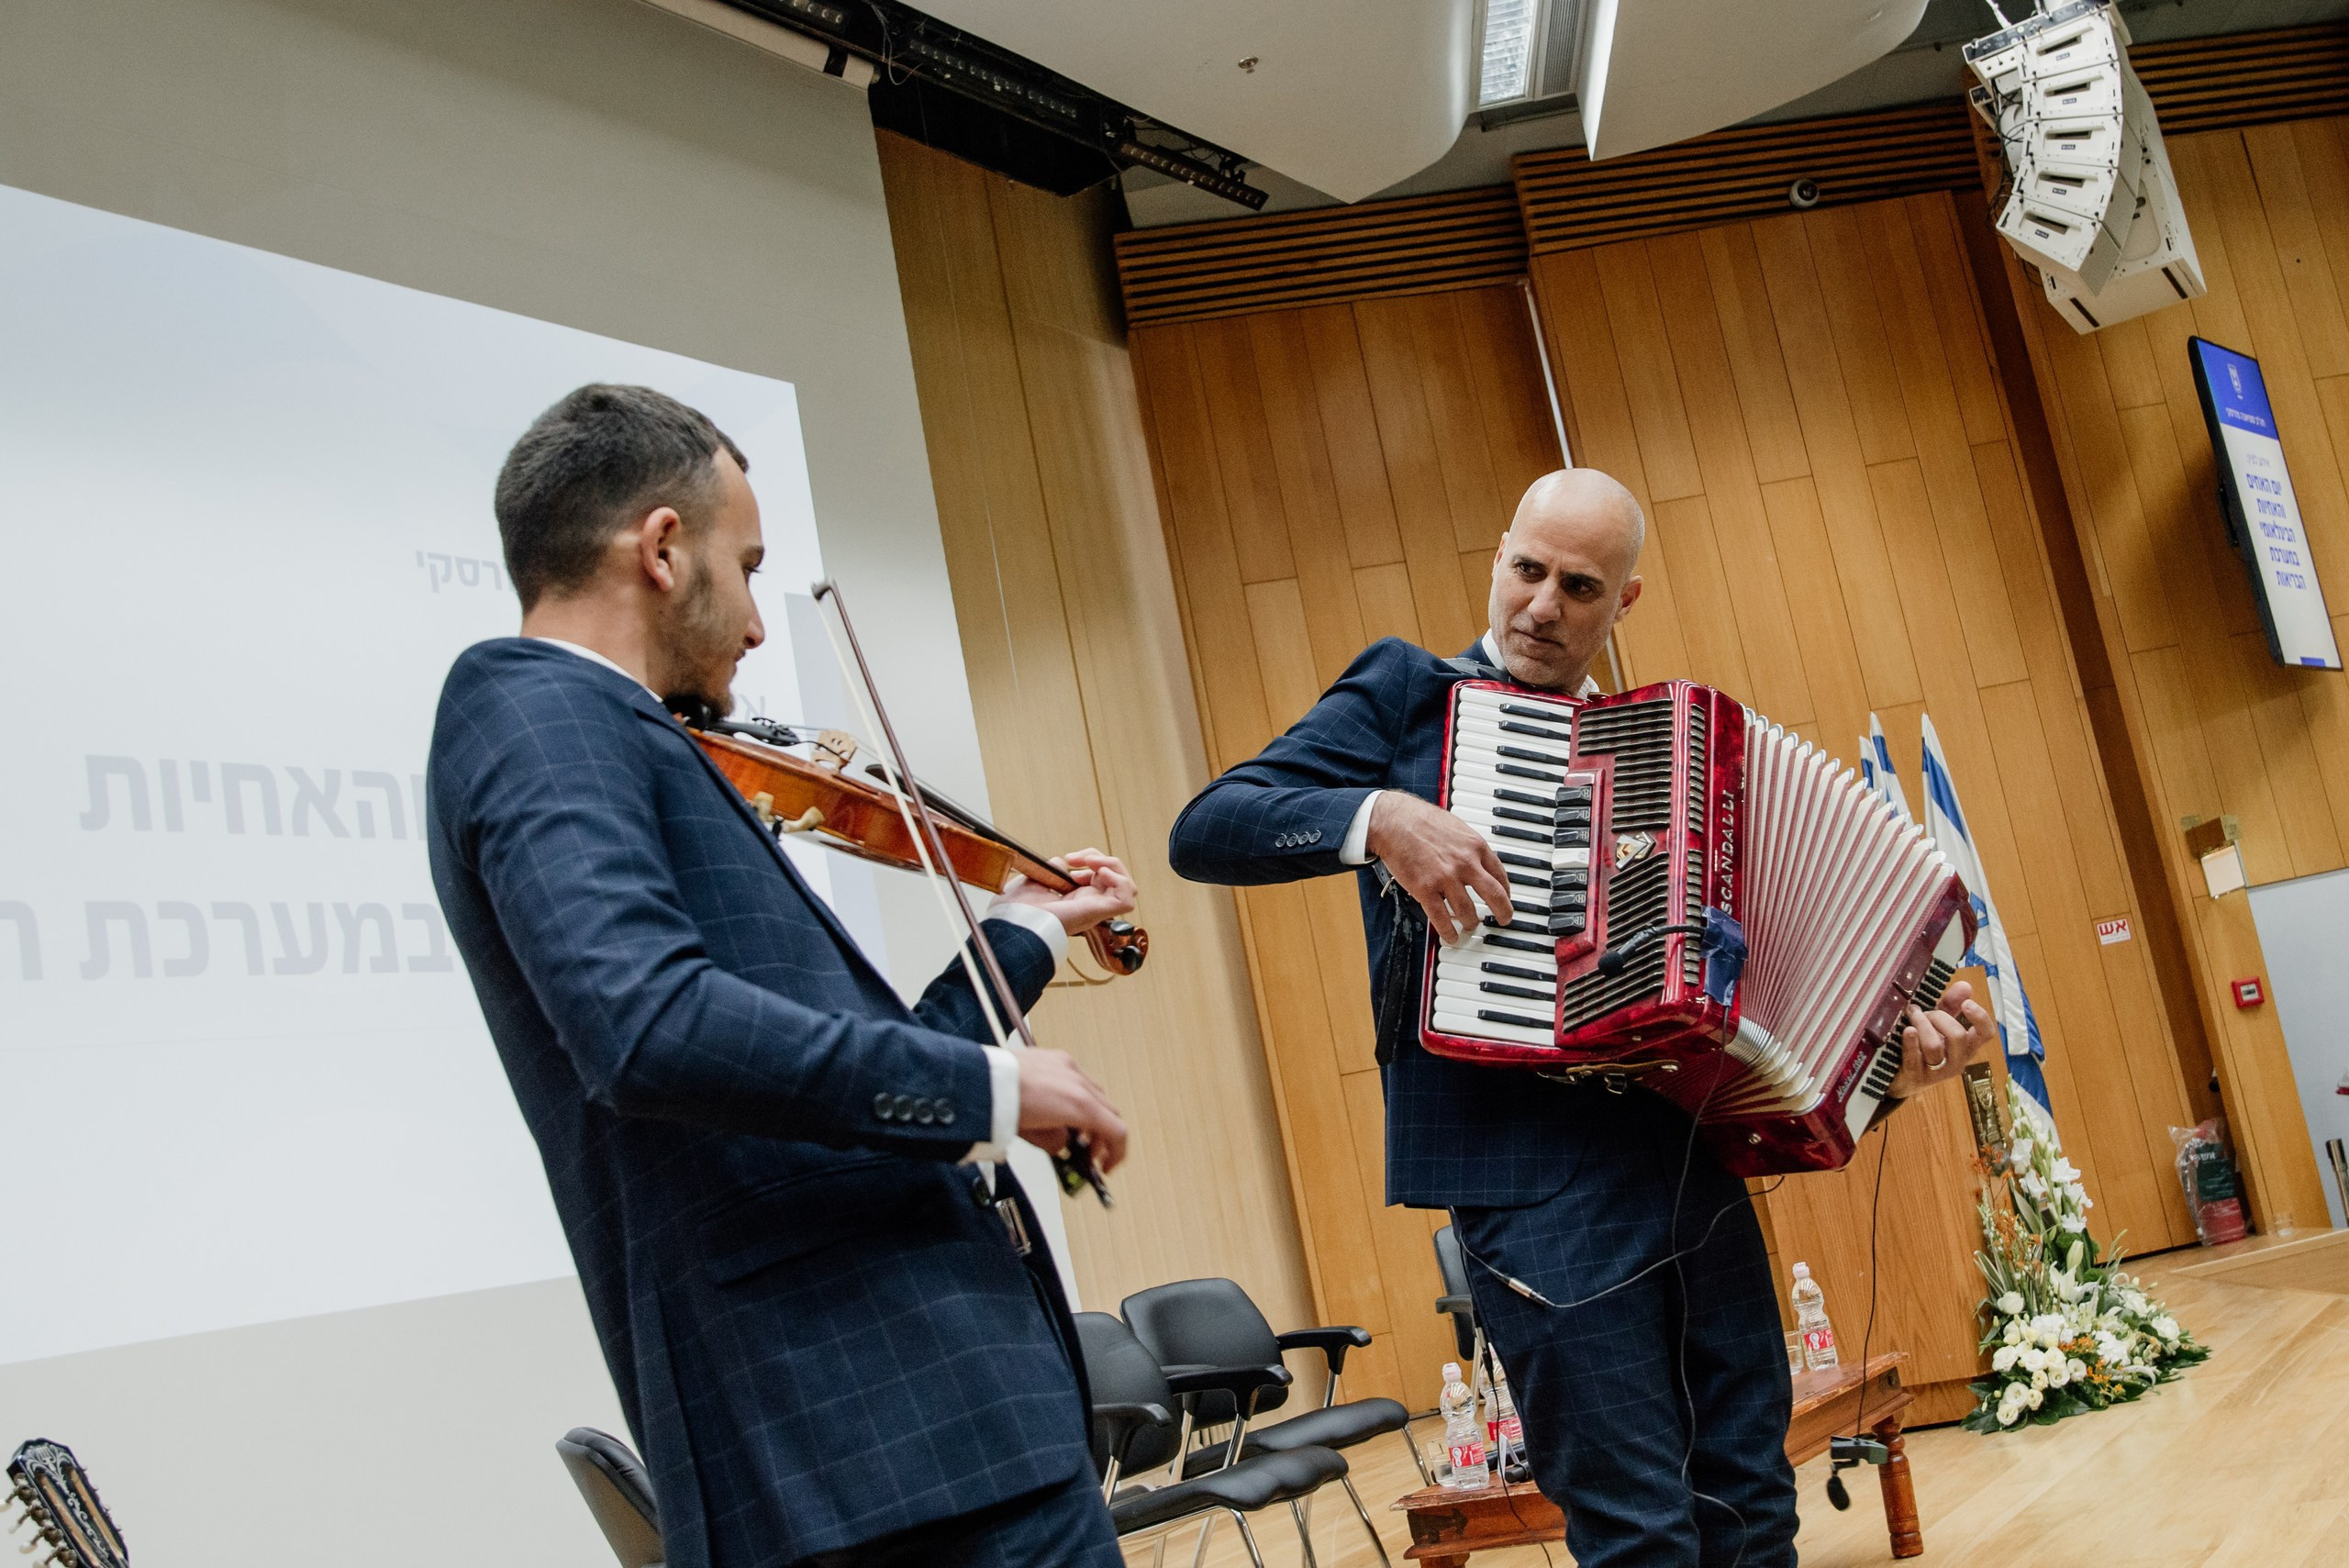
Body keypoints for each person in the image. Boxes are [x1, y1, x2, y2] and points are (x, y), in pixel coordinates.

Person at [1167, 468, 1993, 1568]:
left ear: (1625, 603)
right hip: (1529, 1182)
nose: (1543, 604)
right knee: (1636, 1523)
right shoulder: (1409, 697)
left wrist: (1892, 1064)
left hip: (1686, 1168)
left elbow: (1756, 1015)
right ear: (1497, 556)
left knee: (1750, 1495)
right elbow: (1207, 827)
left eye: (1579, 584)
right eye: (1527, 570)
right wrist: (1382, 817)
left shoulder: (1684, 760)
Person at [427, 384, 1135, 1568]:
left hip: (922, 1439)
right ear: (660, 548)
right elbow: (644, 1023)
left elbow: (838, 1092)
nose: (758, 623)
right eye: (746, 567)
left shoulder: (615, 729)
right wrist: (993, 1089)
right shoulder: (532, 710)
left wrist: (1028, 930)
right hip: (860, 1442)